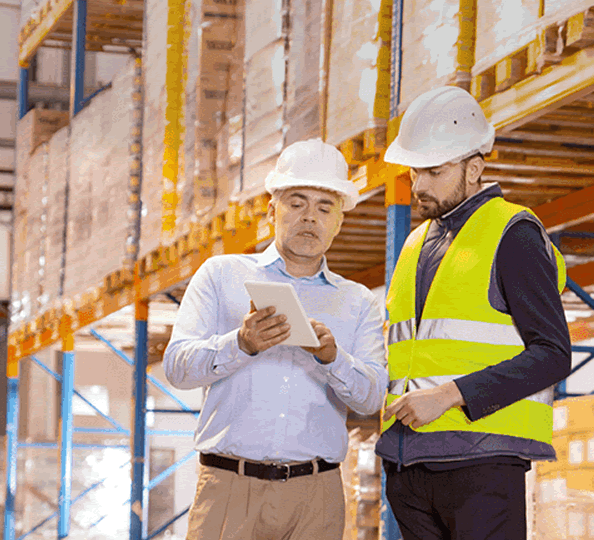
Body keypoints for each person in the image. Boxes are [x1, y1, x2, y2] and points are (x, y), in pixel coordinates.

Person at [163, 138, 387, 540]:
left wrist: (333, 359)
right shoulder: (221, 276)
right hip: (229, 488)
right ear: (272, 210)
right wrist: (241, 343)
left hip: (315, 497)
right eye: (297, 203)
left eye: (325, 207)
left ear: (339, 221)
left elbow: (371, 398)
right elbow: (177, 367)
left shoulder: (358, 302)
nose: (309, 218)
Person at [377, 85, 572, 540]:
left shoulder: (513, 233)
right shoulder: (415, 243)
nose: (419, 184)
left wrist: (450, 395)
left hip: (480, 465)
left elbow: (552, 354)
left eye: (434, 171)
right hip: (408, 466)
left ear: (474, 168)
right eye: (414, 171)